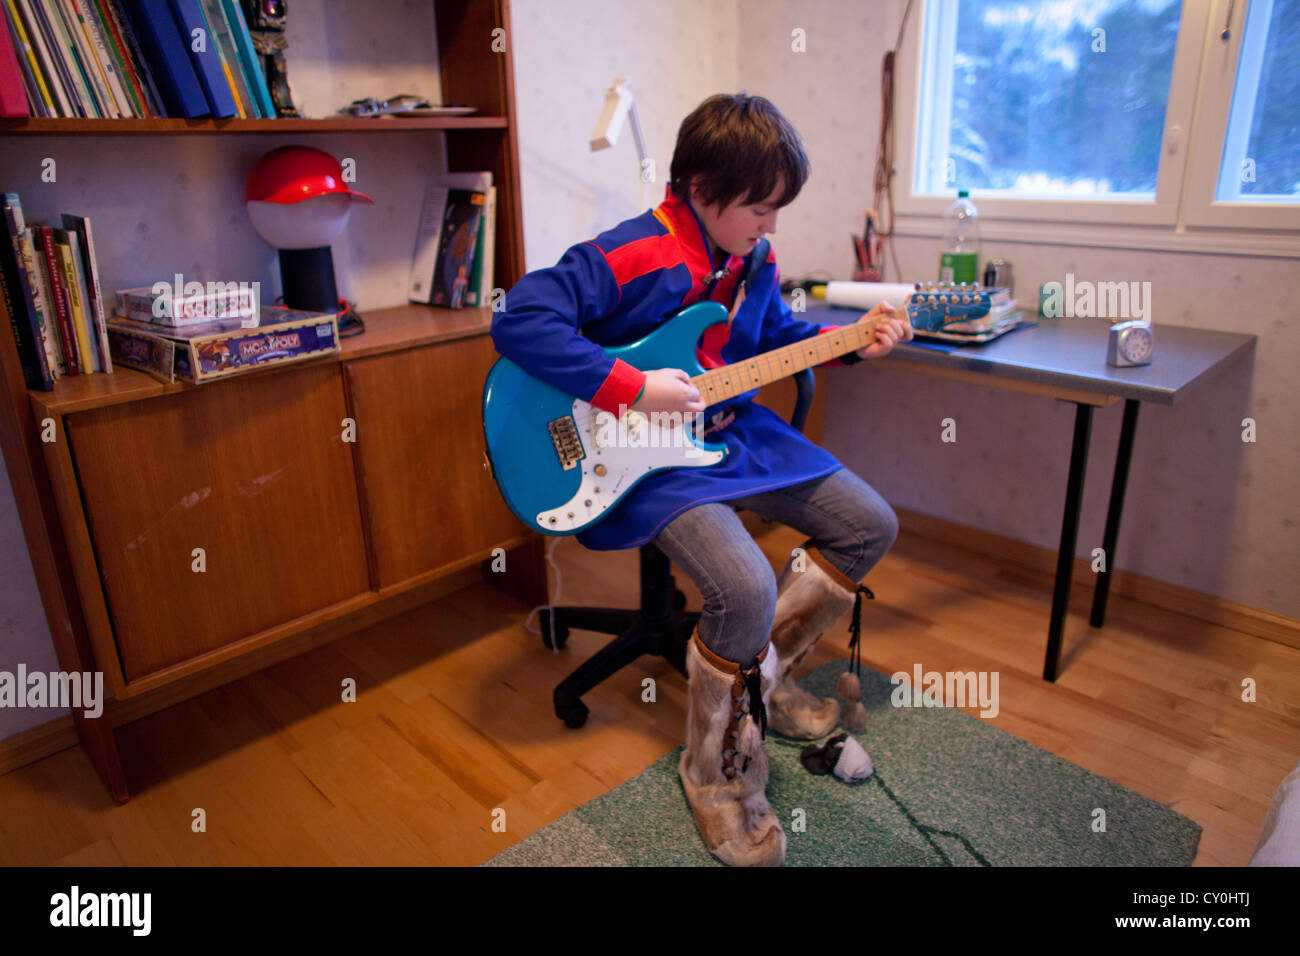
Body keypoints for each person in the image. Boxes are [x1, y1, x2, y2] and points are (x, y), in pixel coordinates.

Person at [491, 92, 912, 866]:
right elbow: (519, 318)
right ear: (700, 189)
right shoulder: (633, 251)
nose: (772, 224)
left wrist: (855, 343)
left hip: (733, 433)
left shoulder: (755, 257)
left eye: (779, 208)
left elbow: (780, 336)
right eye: (759, 207)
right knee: (745, 588)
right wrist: (631, 386)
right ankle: (716, 776)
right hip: (644, 456)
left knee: (869, 524)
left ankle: (767, 681)